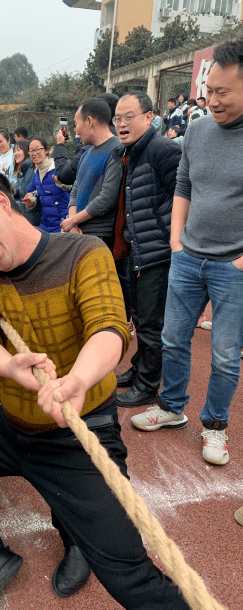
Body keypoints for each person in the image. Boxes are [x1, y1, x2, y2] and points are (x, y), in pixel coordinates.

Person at [0, 178, 207, 610]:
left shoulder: (83, 252)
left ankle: (80, 543)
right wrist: (11, 367)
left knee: (127, 571)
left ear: (1, 202)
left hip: (80, 433)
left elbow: (110, 327)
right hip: (11, 427)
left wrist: (79, 380)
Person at [130, 38, 243, 466]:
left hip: (233, 266)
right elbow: (184, 186)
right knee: (173, 338)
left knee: (226, 355)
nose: (211, 100)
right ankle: (172, 407)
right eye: (208, 90)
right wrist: (177, 241)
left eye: (222, 92)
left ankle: (215, 426)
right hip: (188, 256)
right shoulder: (196, 130)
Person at [110, 91, 182, 408]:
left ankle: (148, 384)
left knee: (152, 324)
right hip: (137, 250)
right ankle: (139, 368)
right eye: (118, 118)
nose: (122, 124)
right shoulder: (131, 153)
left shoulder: (163, 150)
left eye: (129, 117)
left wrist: (170, 238)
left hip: (158, 253)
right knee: (139, 318)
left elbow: (183, 199)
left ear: (149, 117)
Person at [60, 99, 121, 247]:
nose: (75, 129)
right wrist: (73, 224)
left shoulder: (117, 150)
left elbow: (106, 199)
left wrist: (73, 221)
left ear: (89, 121)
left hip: (102, 235)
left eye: (76, 123)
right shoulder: (86, 154)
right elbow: (75, 190)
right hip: (80, 233)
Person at [22, 137, 69, 233]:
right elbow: (33, 192)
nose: (34, 153)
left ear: (46, 150)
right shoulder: (36, 172)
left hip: (63, 223)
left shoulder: (58, 168)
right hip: (45, 224)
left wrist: (64, 185)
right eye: (31, 151)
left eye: (37, 149)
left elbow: (73, 189)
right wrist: (31, 201)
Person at [10, 139, 37, 223]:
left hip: (36, 215)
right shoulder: (21, 170)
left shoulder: (33, 168)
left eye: (19, 150)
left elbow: (39, 189)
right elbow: (20, 191)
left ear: (26, 151)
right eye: (14, 151)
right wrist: (12, 189)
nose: (16, 153)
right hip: (27, 214)